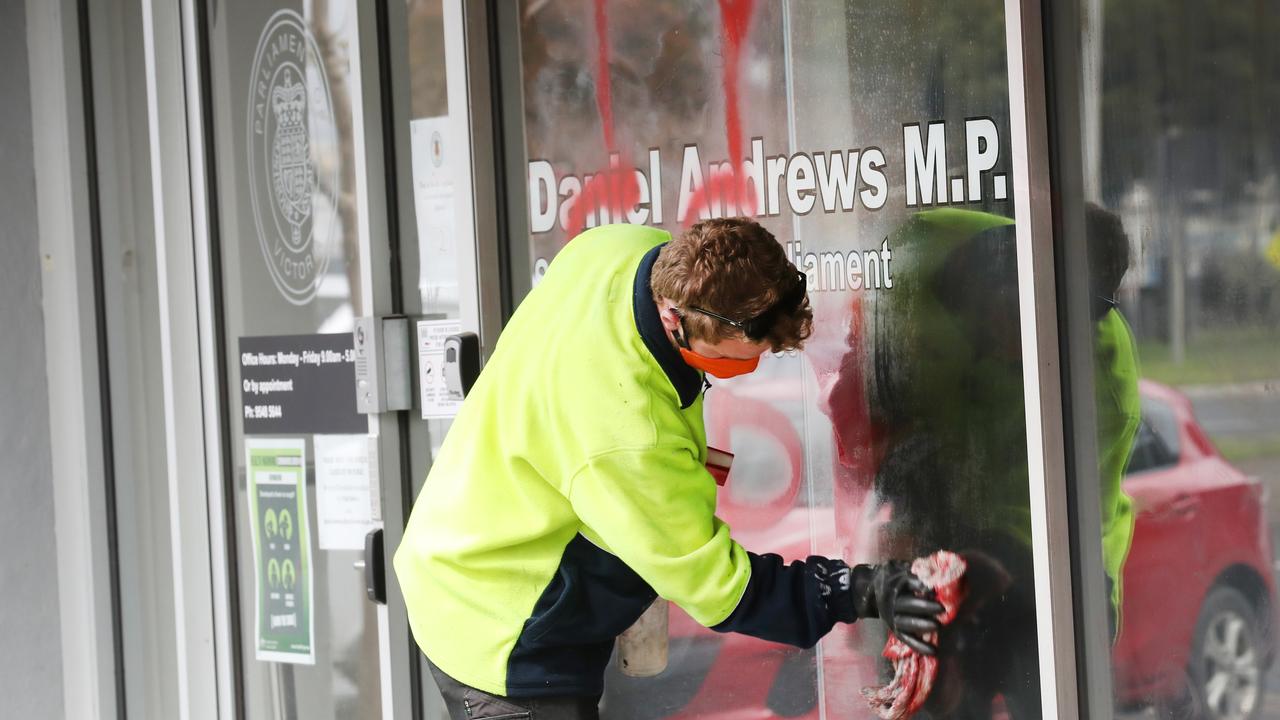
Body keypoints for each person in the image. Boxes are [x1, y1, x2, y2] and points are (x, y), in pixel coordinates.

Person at [393, 218, 943, 720]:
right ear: (674, 322)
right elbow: (722, 590)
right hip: (498, 622)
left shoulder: (622, 249)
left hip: (461, 536)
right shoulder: (629, 436)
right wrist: (861, 588)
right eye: (740, 357)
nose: (747, 369)